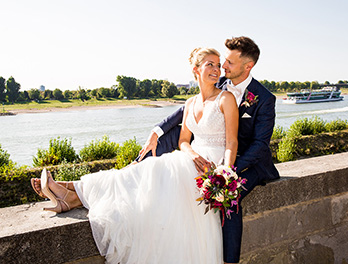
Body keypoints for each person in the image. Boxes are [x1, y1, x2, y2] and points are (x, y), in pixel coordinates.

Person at [31, 47, 239, 263]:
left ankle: (71, 192)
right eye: (210, 64)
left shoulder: (226, 99)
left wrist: (225, 173)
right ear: (196, 70)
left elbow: (232, 141)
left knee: (149, 173)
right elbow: (183, 141)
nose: (217, 69)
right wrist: (193, 155)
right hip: (191, 158)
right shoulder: (189, 103)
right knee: (141, 173)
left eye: (218, 64)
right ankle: (71, 192)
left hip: (211, 167)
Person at [136, 36, 280, 264]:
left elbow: (260, 146)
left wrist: (226, 171)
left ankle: (229, 261)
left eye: (229, 62)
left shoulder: (264, 98)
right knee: (172, 135)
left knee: (230, 196)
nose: (223, 67)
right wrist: (156, 131)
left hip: (250, 162)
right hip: (215, 152)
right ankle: (139, 167)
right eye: (223, 61)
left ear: (248, 66)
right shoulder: (219, 83)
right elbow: (184, 111)